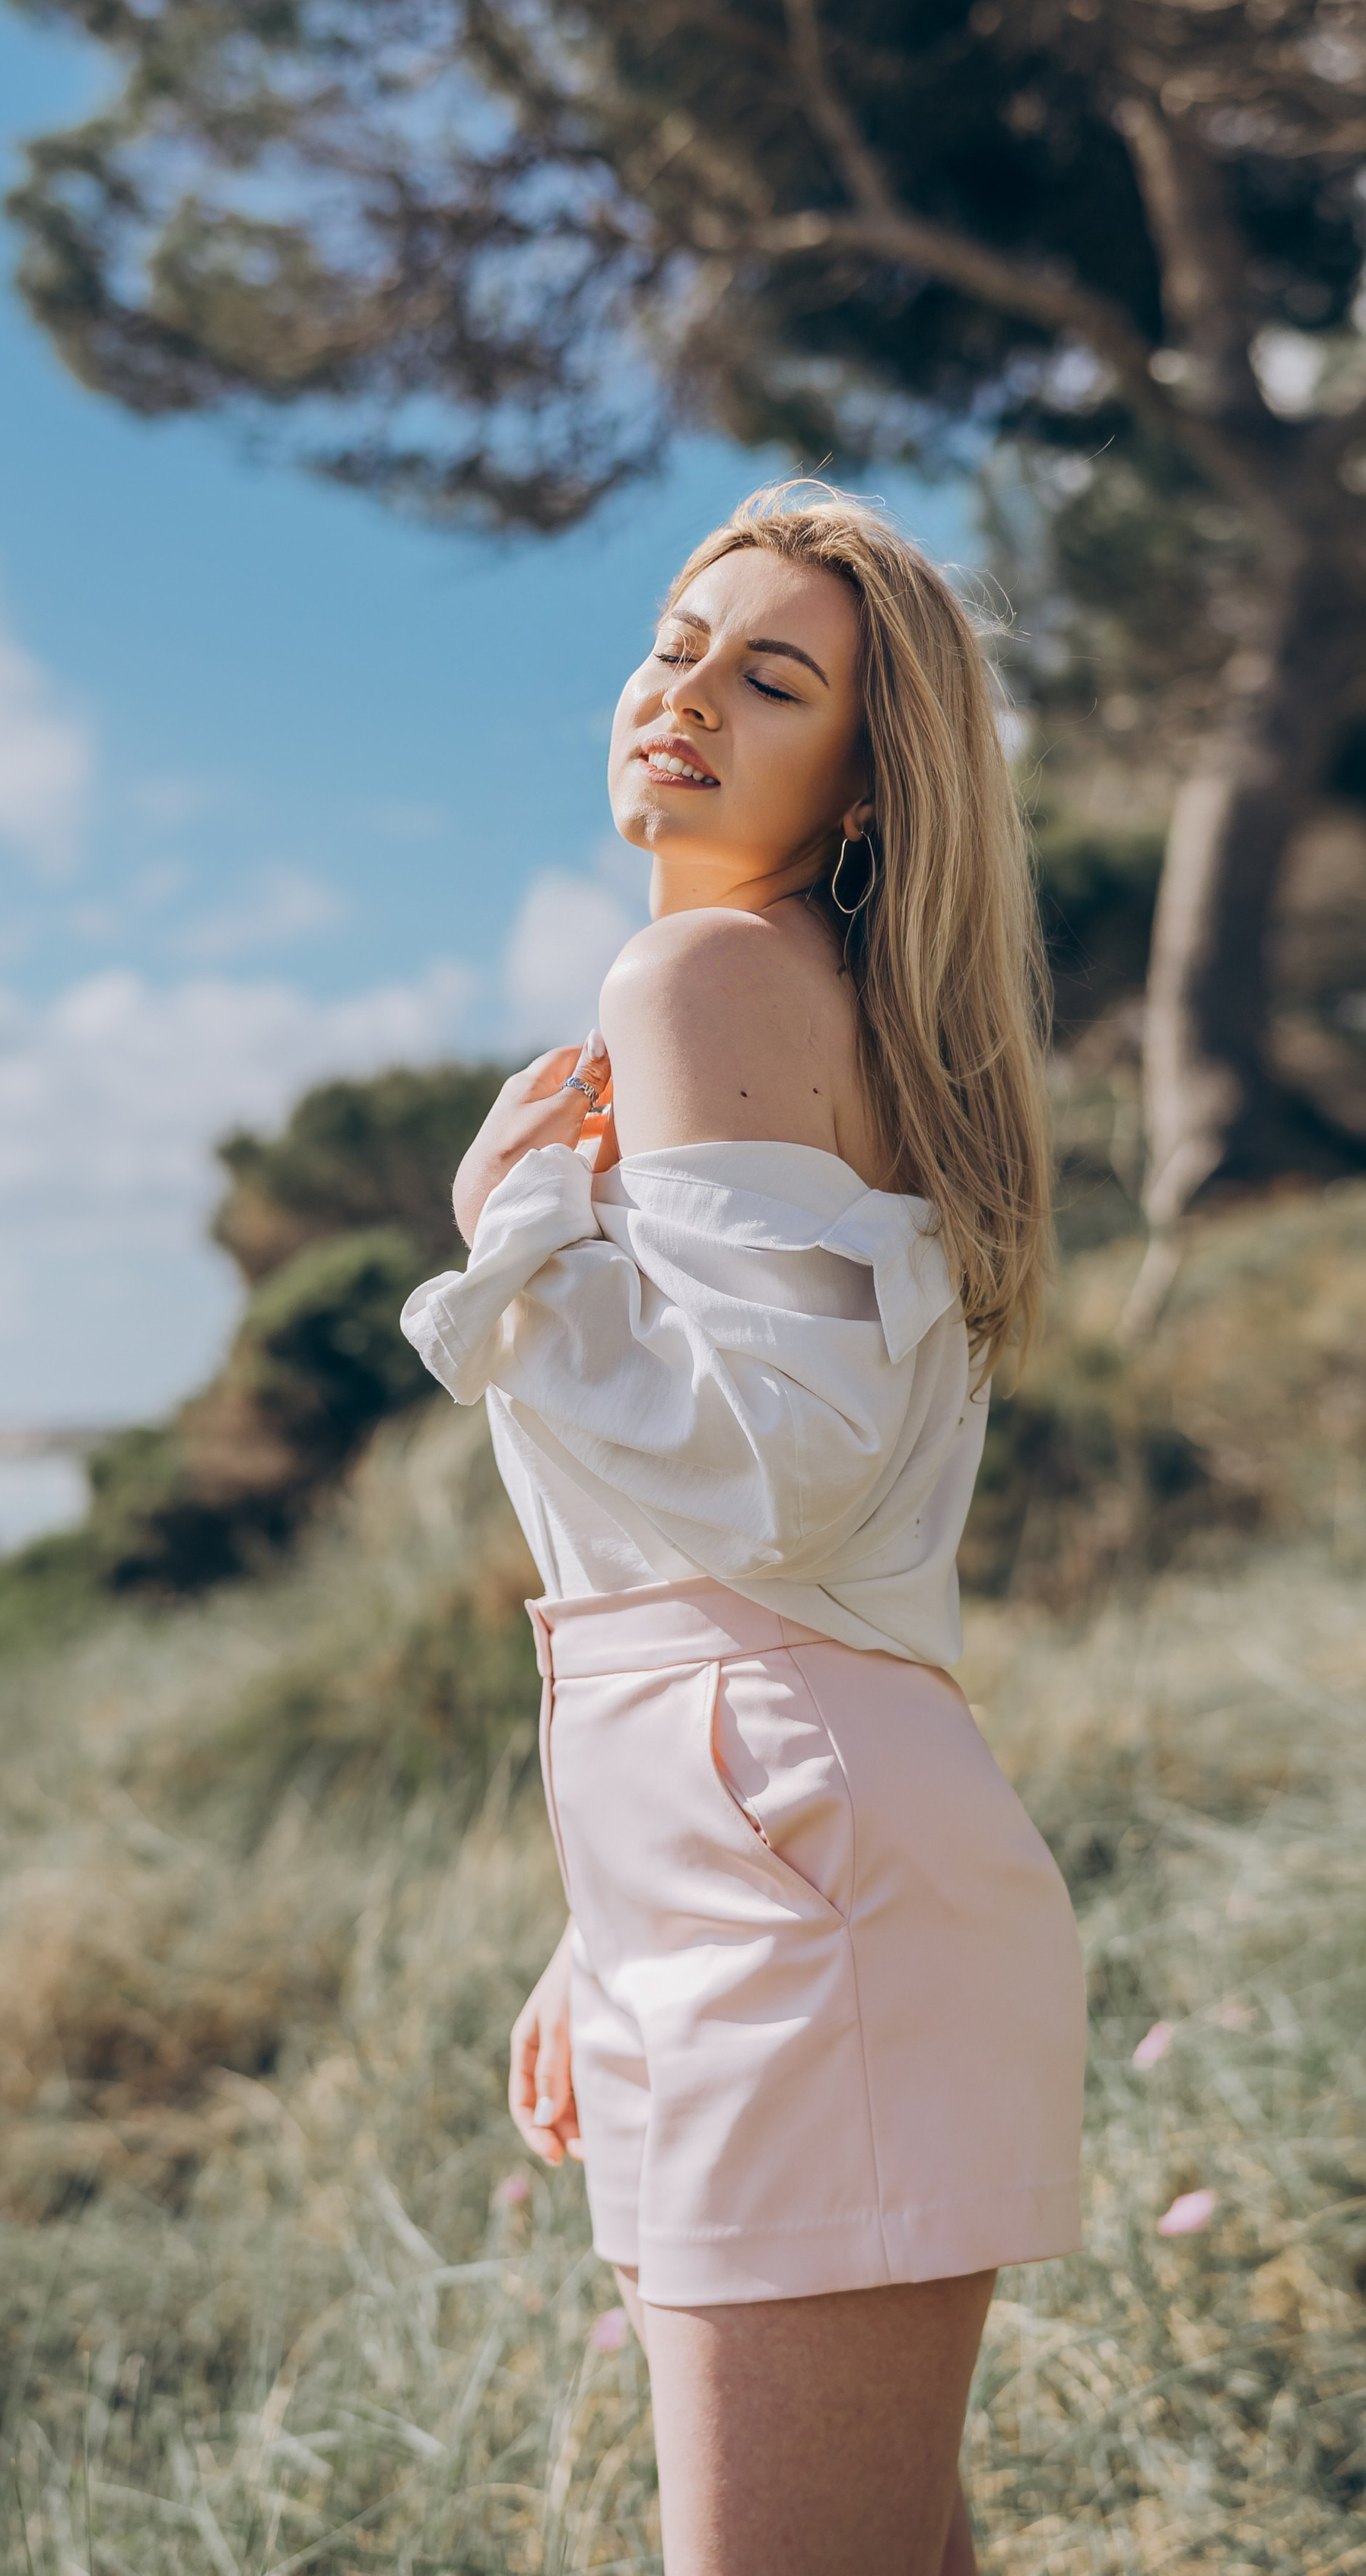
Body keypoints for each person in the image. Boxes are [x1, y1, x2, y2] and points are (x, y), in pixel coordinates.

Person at [401, 484, 1086, 2575]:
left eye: (768, 675)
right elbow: (811, 1547)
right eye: (679, 640)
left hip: (790, 1872)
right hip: (777, 1839)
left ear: (863, 785)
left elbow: (763, 1478)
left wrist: (505, 1245)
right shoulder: (839, 1013)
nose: (682, 692)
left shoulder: (696, 976)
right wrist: (599, 1913)